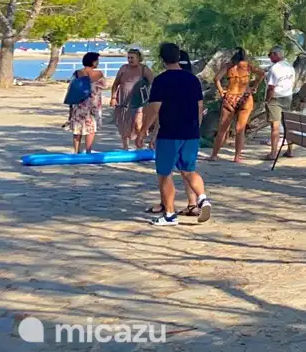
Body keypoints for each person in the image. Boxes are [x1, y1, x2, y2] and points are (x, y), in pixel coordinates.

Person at [139, 42, 211, 226]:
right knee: (188, 170)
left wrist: (143, 131)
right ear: (179, 57)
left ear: (162, 59)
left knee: (164, 173)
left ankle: (170, 214)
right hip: (191, 132)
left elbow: (154, 109)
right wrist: (196, 127)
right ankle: (202, 198)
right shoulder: (193, 80)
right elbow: (199, 106)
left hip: (170, 132)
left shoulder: (161, 80)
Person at [208, 49, 254, 162]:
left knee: (222, 129)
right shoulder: (248, 66)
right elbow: (262, 74)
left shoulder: (229, 66)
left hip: (230, 96)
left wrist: (221, 91)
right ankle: (237, 157)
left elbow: (216, 78)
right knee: (240, 129)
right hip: (245, 96)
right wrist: (255, 85)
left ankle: (214, 155)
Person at [108, 49, 153, 151]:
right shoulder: (123, 68)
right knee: (124, 124)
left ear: (138, 58)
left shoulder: (144, 69)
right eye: (128, 57)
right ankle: (125, 147)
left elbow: (153, 82)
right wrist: (113, 97)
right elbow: (116, 84)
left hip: (140, 101)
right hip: (124, 100)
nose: (130, 60)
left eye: (132, 58)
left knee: (138, 123)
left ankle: (139, 144)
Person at [63, 52, 107, 154]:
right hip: (93, 104)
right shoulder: (99, 73)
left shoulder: (77, 73)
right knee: (91, 128)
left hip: (79, 103)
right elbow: (103, 86)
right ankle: (88, 151)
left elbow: (71, 89)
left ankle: (76, 151)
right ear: (93, 61)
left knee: (77, 129)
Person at [262, 46, 296, 162]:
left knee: (274, 127)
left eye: (269, 54)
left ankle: (273, 152)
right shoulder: (290, 67)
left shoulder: (274, 69)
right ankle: (290, 150)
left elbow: (271, 88)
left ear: (275, 54)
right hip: (287, 96)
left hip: (275, 98)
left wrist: (267, 100)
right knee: (287, 125)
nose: (269, 57)